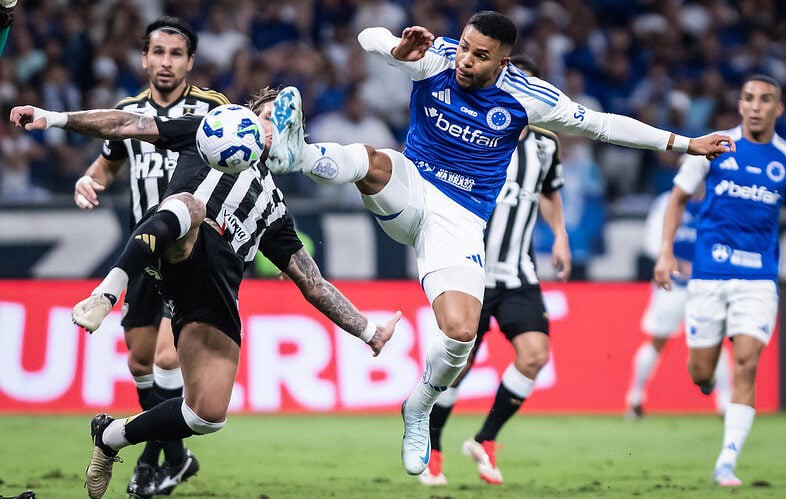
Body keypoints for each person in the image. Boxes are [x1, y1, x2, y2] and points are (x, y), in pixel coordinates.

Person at [264, 10, 733, 476]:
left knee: (460, 333)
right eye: (465, 47)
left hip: (459, 221)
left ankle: (419, 407)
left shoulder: (529, 97)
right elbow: (368, 35)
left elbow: (603, 125)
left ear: (503, 61)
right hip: (411, 188)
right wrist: (397, 51)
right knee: (372, 160)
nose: (466, 60)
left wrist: (685, 143)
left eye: (480, 55)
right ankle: (298, 154)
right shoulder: (436, 56)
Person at [9, 87, 401, 499]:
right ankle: (107, 292)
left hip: (213, 293)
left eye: (284, 124)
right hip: (180, 243)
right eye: (268, 117)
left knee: (207, 415)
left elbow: (313, 283)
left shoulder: (274, 208)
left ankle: (111, 436)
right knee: (190, 207)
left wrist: (368, 331)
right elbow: (127, 124)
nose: (273, 129)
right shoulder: (208, 131)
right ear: (249, 115)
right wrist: (54, 118)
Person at [72, 16, 229, 497]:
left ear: (190, 62)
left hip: (190, 252)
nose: (166, 62)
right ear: (144, 58)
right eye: (158, 52)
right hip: (143, 254)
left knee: (165, 358)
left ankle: (147, 459)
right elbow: (109, 164)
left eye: (176, 54)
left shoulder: (213, 110)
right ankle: (176, 459)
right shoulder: (128, 113)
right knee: (141, 363)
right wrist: (89, 181)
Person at [417, 56, 570, 486]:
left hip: (519, 273)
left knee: (535, 355)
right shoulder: (472, 131)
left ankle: (485, 439)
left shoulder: (545, 144)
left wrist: (560, 235)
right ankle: (433, 448)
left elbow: (549, 192)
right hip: (471, 274)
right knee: (457, 367)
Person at [654, 74, 786, 487]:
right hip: (708, 275)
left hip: (758, 277)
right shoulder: (713, 146)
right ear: (740, 105)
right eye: (749, 98)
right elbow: (678, 198)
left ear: (777, 108)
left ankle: (726, 462)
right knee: (701, 373)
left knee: (746, 363)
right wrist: (666, 253)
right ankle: (706, 382)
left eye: (765, 99)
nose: (755, 106)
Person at [625, 189, 732, 419]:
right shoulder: (667, 201)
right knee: (657, 342)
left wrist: (709, 265)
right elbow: (652, 241)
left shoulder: (717, 200)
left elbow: (726, 239)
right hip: (671, 286)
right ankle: (635, 398)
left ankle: (725, 404)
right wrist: (676, 263)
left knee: (715, 343)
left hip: (707, 287)